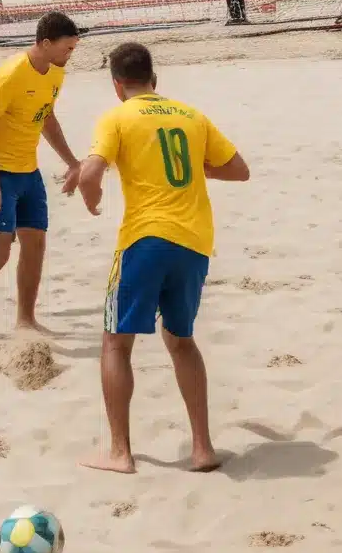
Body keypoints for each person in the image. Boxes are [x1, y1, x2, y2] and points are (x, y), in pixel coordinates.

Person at [77, 42, 249, 474]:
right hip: (193, 241)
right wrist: (199, 167)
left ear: (118, 84)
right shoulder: (191, 115)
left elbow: (92, 170)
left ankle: (119, 452)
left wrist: (91, 195)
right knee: (181, 341)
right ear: (155, 80)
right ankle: (203, 448)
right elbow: (238, 169)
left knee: (116, 343)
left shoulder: (117, 116)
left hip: (145, 238)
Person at [0, 11, 82, 335]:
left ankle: (25, 319)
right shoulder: (11, 74)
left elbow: (47, 118)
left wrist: (73, 162)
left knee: (35, 245)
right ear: (45, 43)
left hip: (29, 171)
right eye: (67, 49)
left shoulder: (55, 72)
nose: (71, 55)